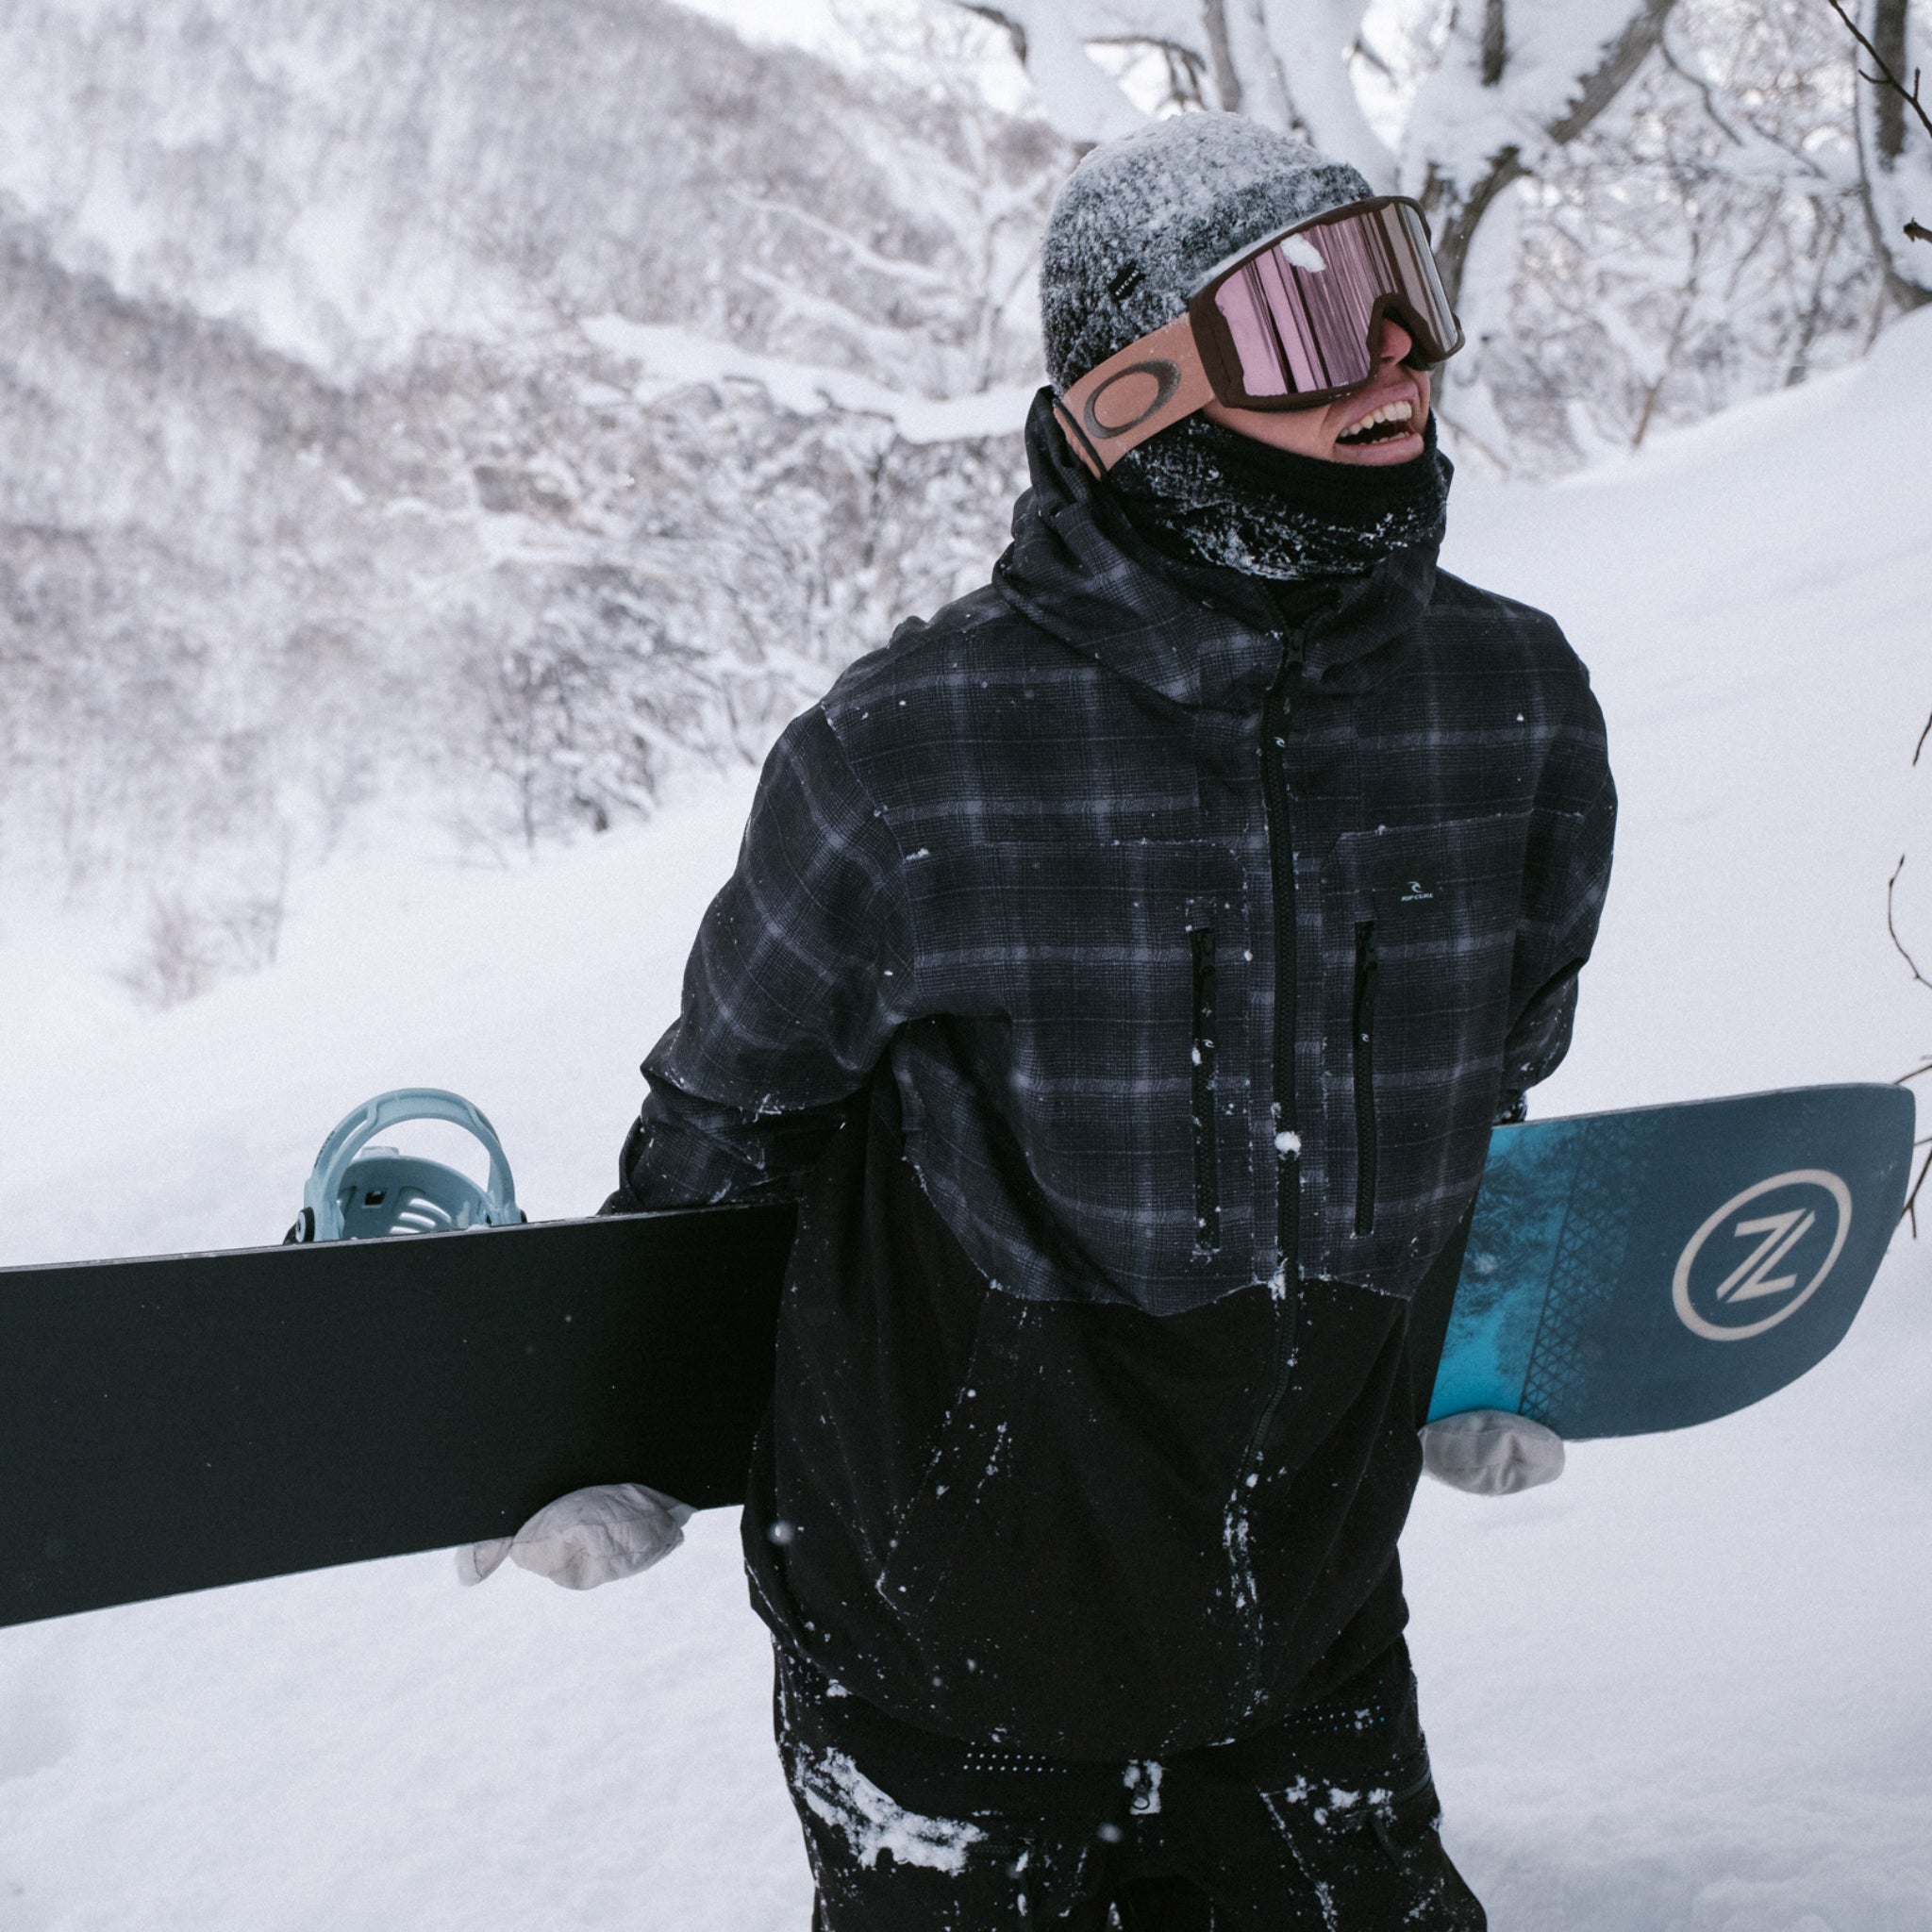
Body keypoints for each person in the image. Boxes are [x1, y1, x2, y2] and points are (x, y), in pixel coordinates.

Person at [601, 114, 1615, 1928]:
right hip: (944, 1631)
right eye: (1310, 317)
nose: (1394, 359)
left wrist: (1474, 1344)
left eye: (1401, 290)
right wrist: (603, 1425)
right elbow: (725, 1133)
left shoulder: (1511, 703)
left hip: (1303, 1601)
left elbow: (1502, 1074)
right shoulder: (909, 751)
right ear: (1131, 400)